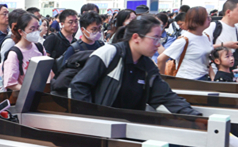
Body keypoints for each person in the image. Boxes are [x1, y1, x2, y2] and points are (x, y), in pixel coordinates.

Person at [70, 14, 201, 115]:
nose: (158, 44)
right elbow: (79, 86)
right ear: (136, 37)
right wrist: (92, 118)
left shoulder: (147, 66)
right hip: (101, 126)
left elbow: (165, 96)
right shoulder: (110, 53)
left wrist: (194, 117)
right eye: (155, 38)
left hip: (129, 128)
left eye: (160, 39)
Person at [0, 13, 50, 92]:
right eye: (32, 29)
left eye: (37, 28)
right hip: (23, 95)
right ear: (21, 31)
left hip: (40, 93)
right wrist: (30, 90)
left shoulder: (39, 47)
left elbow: (48, 70)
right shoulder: (14, 53)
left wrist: (46, 85)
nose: (36, 32)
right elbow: (10, 83)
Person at [158, 7, 212, 80]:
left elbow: (208, 61)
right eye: (207, 17)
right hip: (188, 80)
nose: (210, 19)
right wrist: (162, 80)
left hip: (204, 78)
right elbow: (161, 59)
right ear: (198, 20)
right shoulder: (184, 39)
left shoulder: (206, 36)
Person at [204, 0, 238, 65]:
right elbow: (203, 48)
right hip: (215, 67)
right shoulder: (213, 26)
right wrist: (224, 45)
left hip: (231, 68)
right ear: (228, 12)